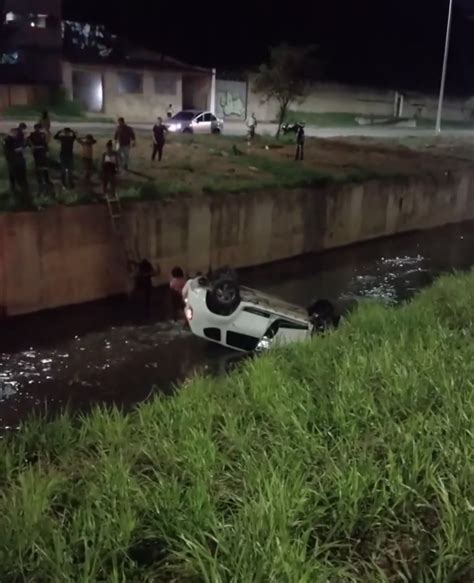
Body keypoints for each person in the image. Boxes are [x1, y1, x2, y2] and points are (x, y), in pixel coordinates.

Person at [3, 128, 30, 205]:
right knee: (16, 179)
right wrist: (21, 148)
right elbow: (10, 151)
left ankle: (22, 196)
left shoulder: (15, 139)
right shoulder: (8, 140)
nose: (16, 135)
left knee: (19, 179)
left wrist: (24, 143)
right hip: (14, 162)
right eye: (15, 133)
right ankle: (19, 196)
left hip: (18, 162)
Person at [28, 124, 53, 194]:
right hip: (37, 152)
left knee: (44, 167)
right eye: (37, 128)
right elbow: (28, 141)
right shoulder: (32, 134)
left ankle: (47, 182)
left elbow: (45, 143)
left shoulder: (42, 134)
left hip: (42, 151)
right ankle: (41, 183)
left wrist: (47, 150)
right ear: (35, 128)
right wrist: (32, 146)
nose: (38, 129)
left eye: (39, 128)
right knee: (38, 167)